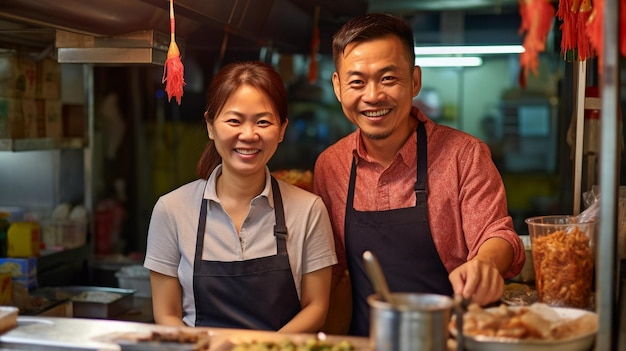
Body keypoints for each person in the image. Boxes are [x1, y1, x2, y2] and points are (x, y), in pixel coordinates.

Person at [313, 13, 525, 336]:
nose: (372, 97)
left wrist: (485, 264)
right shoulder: (331, 166)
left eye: (388, 79)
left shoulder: (464, 155)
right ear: (338, 87)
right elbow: (333, 271)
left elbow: (498, 235)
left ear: (414, 81)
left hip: (451, 339)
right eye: (357, 82)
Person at [144, 61, 337, 332]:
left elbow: (316, 307)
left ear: (282, 129)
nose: (248, 135)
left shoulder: (309, 210)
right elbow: (167, 313)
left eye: (263, 122)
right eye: (234, 121)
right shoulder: (171, 209)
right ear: (210, 126)